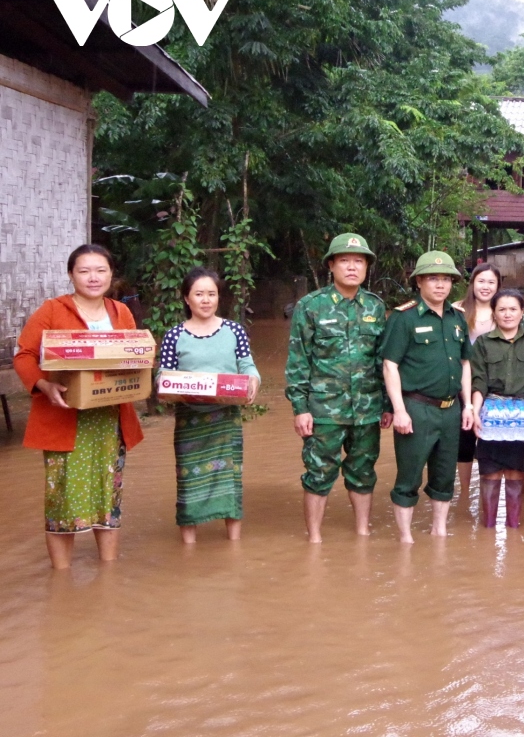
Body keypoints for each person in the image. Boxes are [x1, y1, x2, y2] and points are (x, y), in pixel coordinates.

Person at [14, 244, 146, 569]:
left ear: (111, 274)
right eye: (84, 271)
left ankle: (109, 572)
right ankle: (61, 577)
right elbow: (24, 354)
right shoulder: (52, 310)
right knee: (62, 500)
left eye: (100, 270)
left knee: (108, 497)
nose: (93, 277)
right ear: (71, 274)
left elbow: (135, 354)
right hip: (63, 418)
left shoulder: (121, 312)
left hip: (109, 420)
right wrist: (43, 384)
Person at [285, 233, 391, 543]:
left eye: (359, 261)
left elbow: (382, 361)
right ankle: (315, 538)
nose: (352, 267)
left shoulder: (375, 306)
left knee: (363, 472)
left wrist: (386, 404)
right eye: (344, 260)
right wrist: (300, 409)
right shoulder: (311, 306)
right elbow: (298, 361)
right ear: (331, 265)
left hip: (367, 409)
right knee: (319, 473)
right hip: (324, 410)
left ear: (367, 268)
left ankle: (362, 532)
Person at [159, 267, 261, 543]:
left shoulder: (234, 331)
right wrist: (174, 388)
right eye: (199, 294)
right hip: (189, 419)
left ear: (218, 298)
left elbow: (247, 364)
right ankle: (189, 544)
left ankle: (234, 542)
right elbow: (164, 376)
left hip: (226, 418)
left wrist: (252, 380)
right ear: (186, 298)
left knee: (230, 478)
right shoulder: (174, 336)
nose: (206, 300)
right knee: (188, 481)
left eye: (211, 294)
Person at [381, 251, 473, 542]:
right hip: (416, 407)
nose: (440, 285)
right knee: (409, 474)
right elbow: (389, 365)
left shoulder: (458, 318)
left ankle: (439, 530)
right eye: (433, 278)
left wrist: (468, 404)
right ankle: (406, 537)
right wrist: (399, 410)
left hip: (451, 409)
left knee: (445, 475)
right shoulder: (403, 317)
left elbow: (465, 364)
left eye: (446, 279)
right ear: (419, 281)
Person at [471, 289, 524, 528]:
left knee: (517, 473)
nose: (508, 314)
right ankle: (487, 529)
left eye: (513, 309)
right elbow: (478, 381)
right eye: (502, 309)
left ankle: (513, 527)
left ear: (522, 313)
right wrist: (476, 413)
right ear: (494, 314)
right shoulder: (483, 343)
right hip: (492, 416)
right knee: (490, 473)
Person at [452, 263, 500, 497]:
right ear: (472, 284)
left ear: (498, 286)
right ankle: (463, 493)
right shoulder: (456, 310)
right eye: (481, 281)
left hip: (493, 385)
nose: (486, 286)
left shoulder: (502, 311)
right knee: (464, 439)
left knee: (490, 440)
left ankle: (486, 493)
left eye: (491, 282)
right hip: (462, 384)